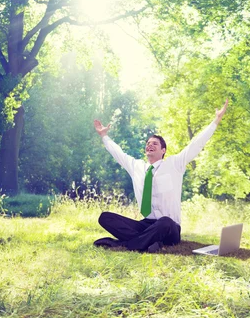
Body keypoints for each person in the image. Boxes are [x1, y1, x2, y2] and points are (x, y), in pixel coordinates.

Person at [92, 99, 229, 253]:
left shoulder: (175, 164)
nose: (149, 145)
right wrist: (104, 136)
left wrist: (216, 121)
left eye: (155, 143)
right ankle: (148, 242)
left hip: (169, 227)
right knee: (106, 217)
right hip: (146, 225)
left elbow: (196, 144)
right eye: (148, 143)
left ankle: (124, 244)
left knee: (164, 222)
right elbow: (119, 154)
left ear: (163, 150)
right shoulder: (136, 167)